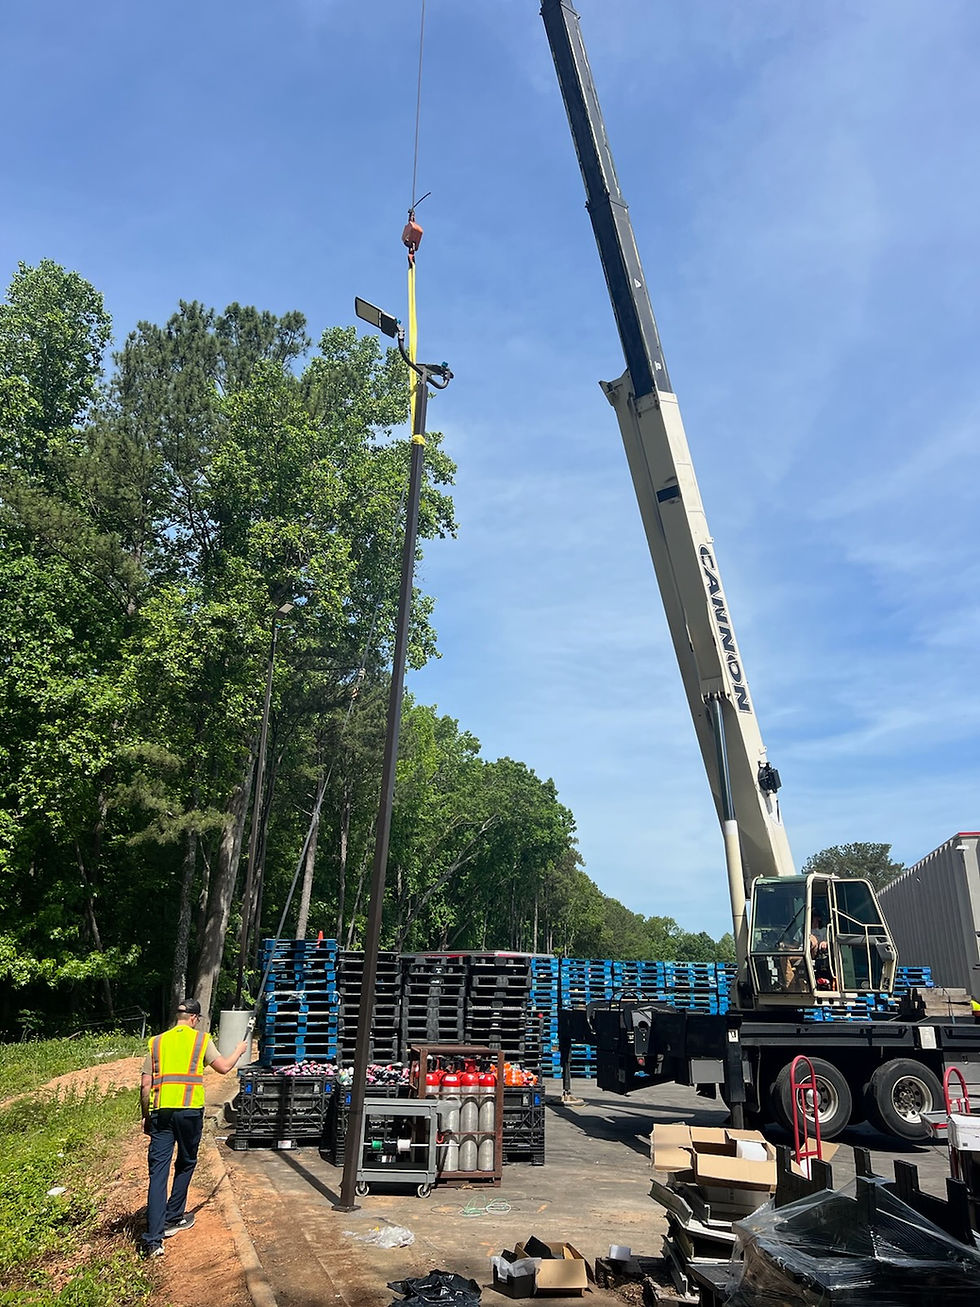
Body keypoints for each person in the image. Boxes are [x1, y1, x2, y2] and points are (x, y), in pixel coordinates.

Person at [139, 998, 251, 1257]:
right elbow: (223, 1068)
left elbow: (145, 1085)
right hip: (189, 1113)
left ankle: (153, 1241)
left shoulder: (156, 1042)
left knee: (158, 1173)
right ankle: (174, 1216)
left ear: (177, 1017)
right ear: (195, 1019)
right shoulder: (201, 1040)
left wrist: (146, 1115)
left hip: (161, 1113)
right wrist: (239, 1049)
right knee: (186, 1161)